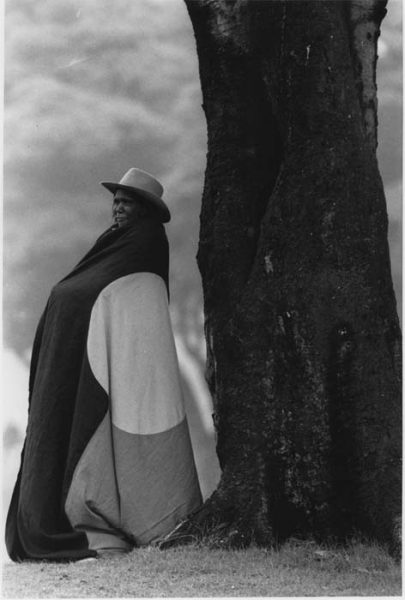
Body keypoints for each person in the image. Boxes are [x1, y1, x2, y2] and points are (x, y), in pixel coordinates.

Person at [6, 167, 202, 561]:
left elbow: (114, 294)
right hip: (91, 349)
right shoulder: (116, 240)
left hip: (117, 364)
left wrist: (69, 302)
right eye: (115, 201)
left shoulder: (145, 242)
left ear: (144, 209)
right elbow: (88, 284)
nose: (116, 208)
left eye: (125, 202)